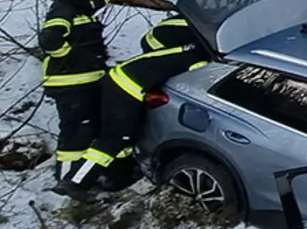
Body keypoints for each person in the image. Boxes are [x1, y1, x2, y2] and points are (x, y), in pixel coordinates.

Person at [55, 40, 211, 201]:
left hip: (120, 79)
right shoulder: (200, 63)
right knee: (115, 139)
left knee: (123, 137)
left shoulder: (189, 47)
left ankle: (116, 178)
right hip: (126, 87)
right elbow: (199, 87)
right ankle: (76, 182)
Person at [37, 0, 124, 183]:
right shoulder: (63, 11)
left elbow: (97, 0)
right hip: (70, 85)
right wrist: (76, 57)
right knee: (76, 135)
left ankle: (88, 177)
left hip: (88, 82)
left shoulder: (81, 6)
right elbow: (49, 41)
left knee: (92, 129)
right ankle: (66, 182)